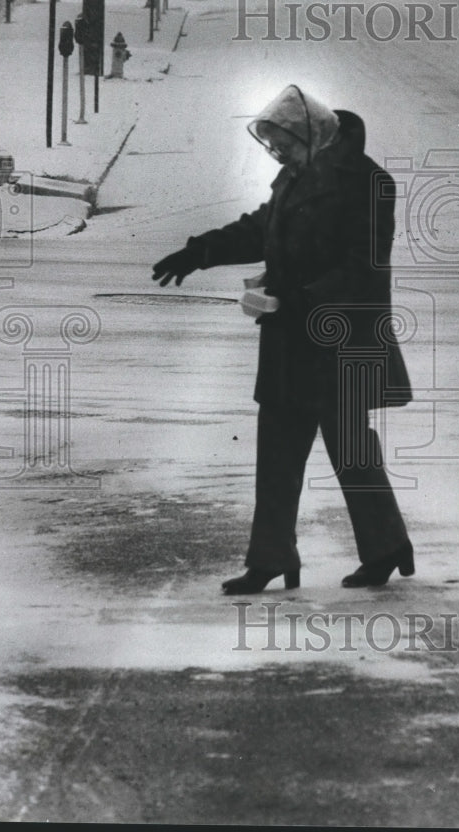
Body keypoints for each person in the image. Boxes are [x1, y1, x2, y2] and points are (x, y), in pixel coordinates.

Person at [152, 84, 415, 595]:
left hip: (341, 343)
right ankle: (271, 559)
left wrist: (302, 298)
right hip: (291, 340)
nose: (278, 156)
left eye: (284, 146)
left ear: (311, 135)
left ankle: (386, 546)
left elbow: (364, 267)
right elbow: (262, 229)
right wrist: (199, 251)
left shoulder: (367, 181)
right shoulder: (296, 174)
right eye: (273, 149)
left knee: (352, 452)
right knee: (276, 453)